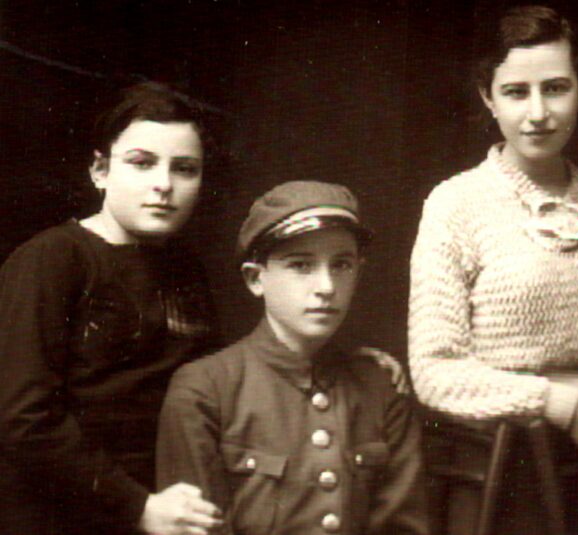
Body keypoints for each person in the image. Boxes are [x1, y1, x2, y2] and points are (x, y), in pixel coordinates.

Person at [408, 5, 578, 533]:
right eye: (516, 92)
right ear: (487, 96)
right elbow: (435, 372)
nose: (538, 112)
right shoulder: (456, 205)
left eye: (556, 88)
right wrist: (557, 404)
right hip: (505, 470)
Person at [0, 82, 224, 535]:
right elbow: (25, 419)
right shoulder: (53, 259)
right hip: (62, 514)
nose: (164, 184)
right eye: (141, 163)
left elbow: (219, 383)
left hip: (172, 506)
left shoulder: (188, 269)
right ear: (100, 171)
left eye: (185, 168)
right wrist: (138, 506)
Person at [157, 181, 428, 534]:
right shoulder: (205, 389)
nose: (326, 286)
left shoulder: (379, 386)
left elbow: (404, 526)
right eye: (301, 266)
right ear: (256, 279)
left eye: (342, 265)